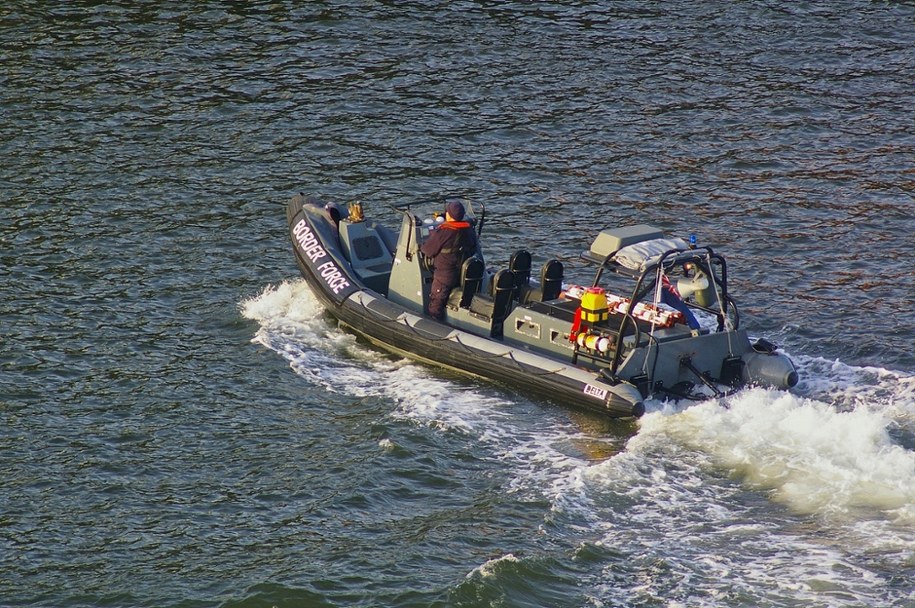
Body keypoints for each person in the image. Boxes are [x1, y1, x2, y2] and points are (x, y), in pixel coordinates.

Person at [420, 201, 477, 320]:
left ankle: (436, 328)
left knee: (436, 304)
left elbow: (427, 250)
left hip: (445, 275)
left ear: (449, 215)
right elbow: (473, 248)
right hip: (463, 272)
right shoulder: (469, 230)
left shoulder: (443, 232)